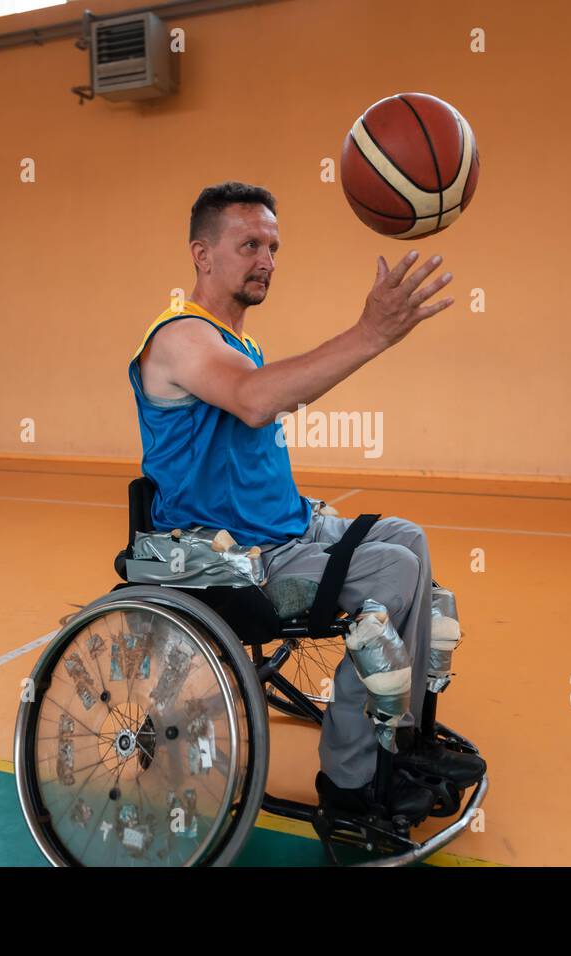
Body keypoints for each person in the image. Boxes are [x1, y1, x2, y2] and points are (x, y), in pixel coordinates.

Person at [127, 181, 484, 819]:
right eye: (249, 245)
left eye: (272, 246)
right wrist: (370, 333)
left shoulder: (239, 344)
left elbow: (258, 399)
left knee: (408, 537)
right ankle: (351, 782)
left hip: (282, 529)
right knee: (393, 572)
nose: (265, 259)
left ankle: (403, 739)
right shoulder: (179, 337)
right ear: (201, 254)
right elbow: (256, 398)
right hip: (223, 558)